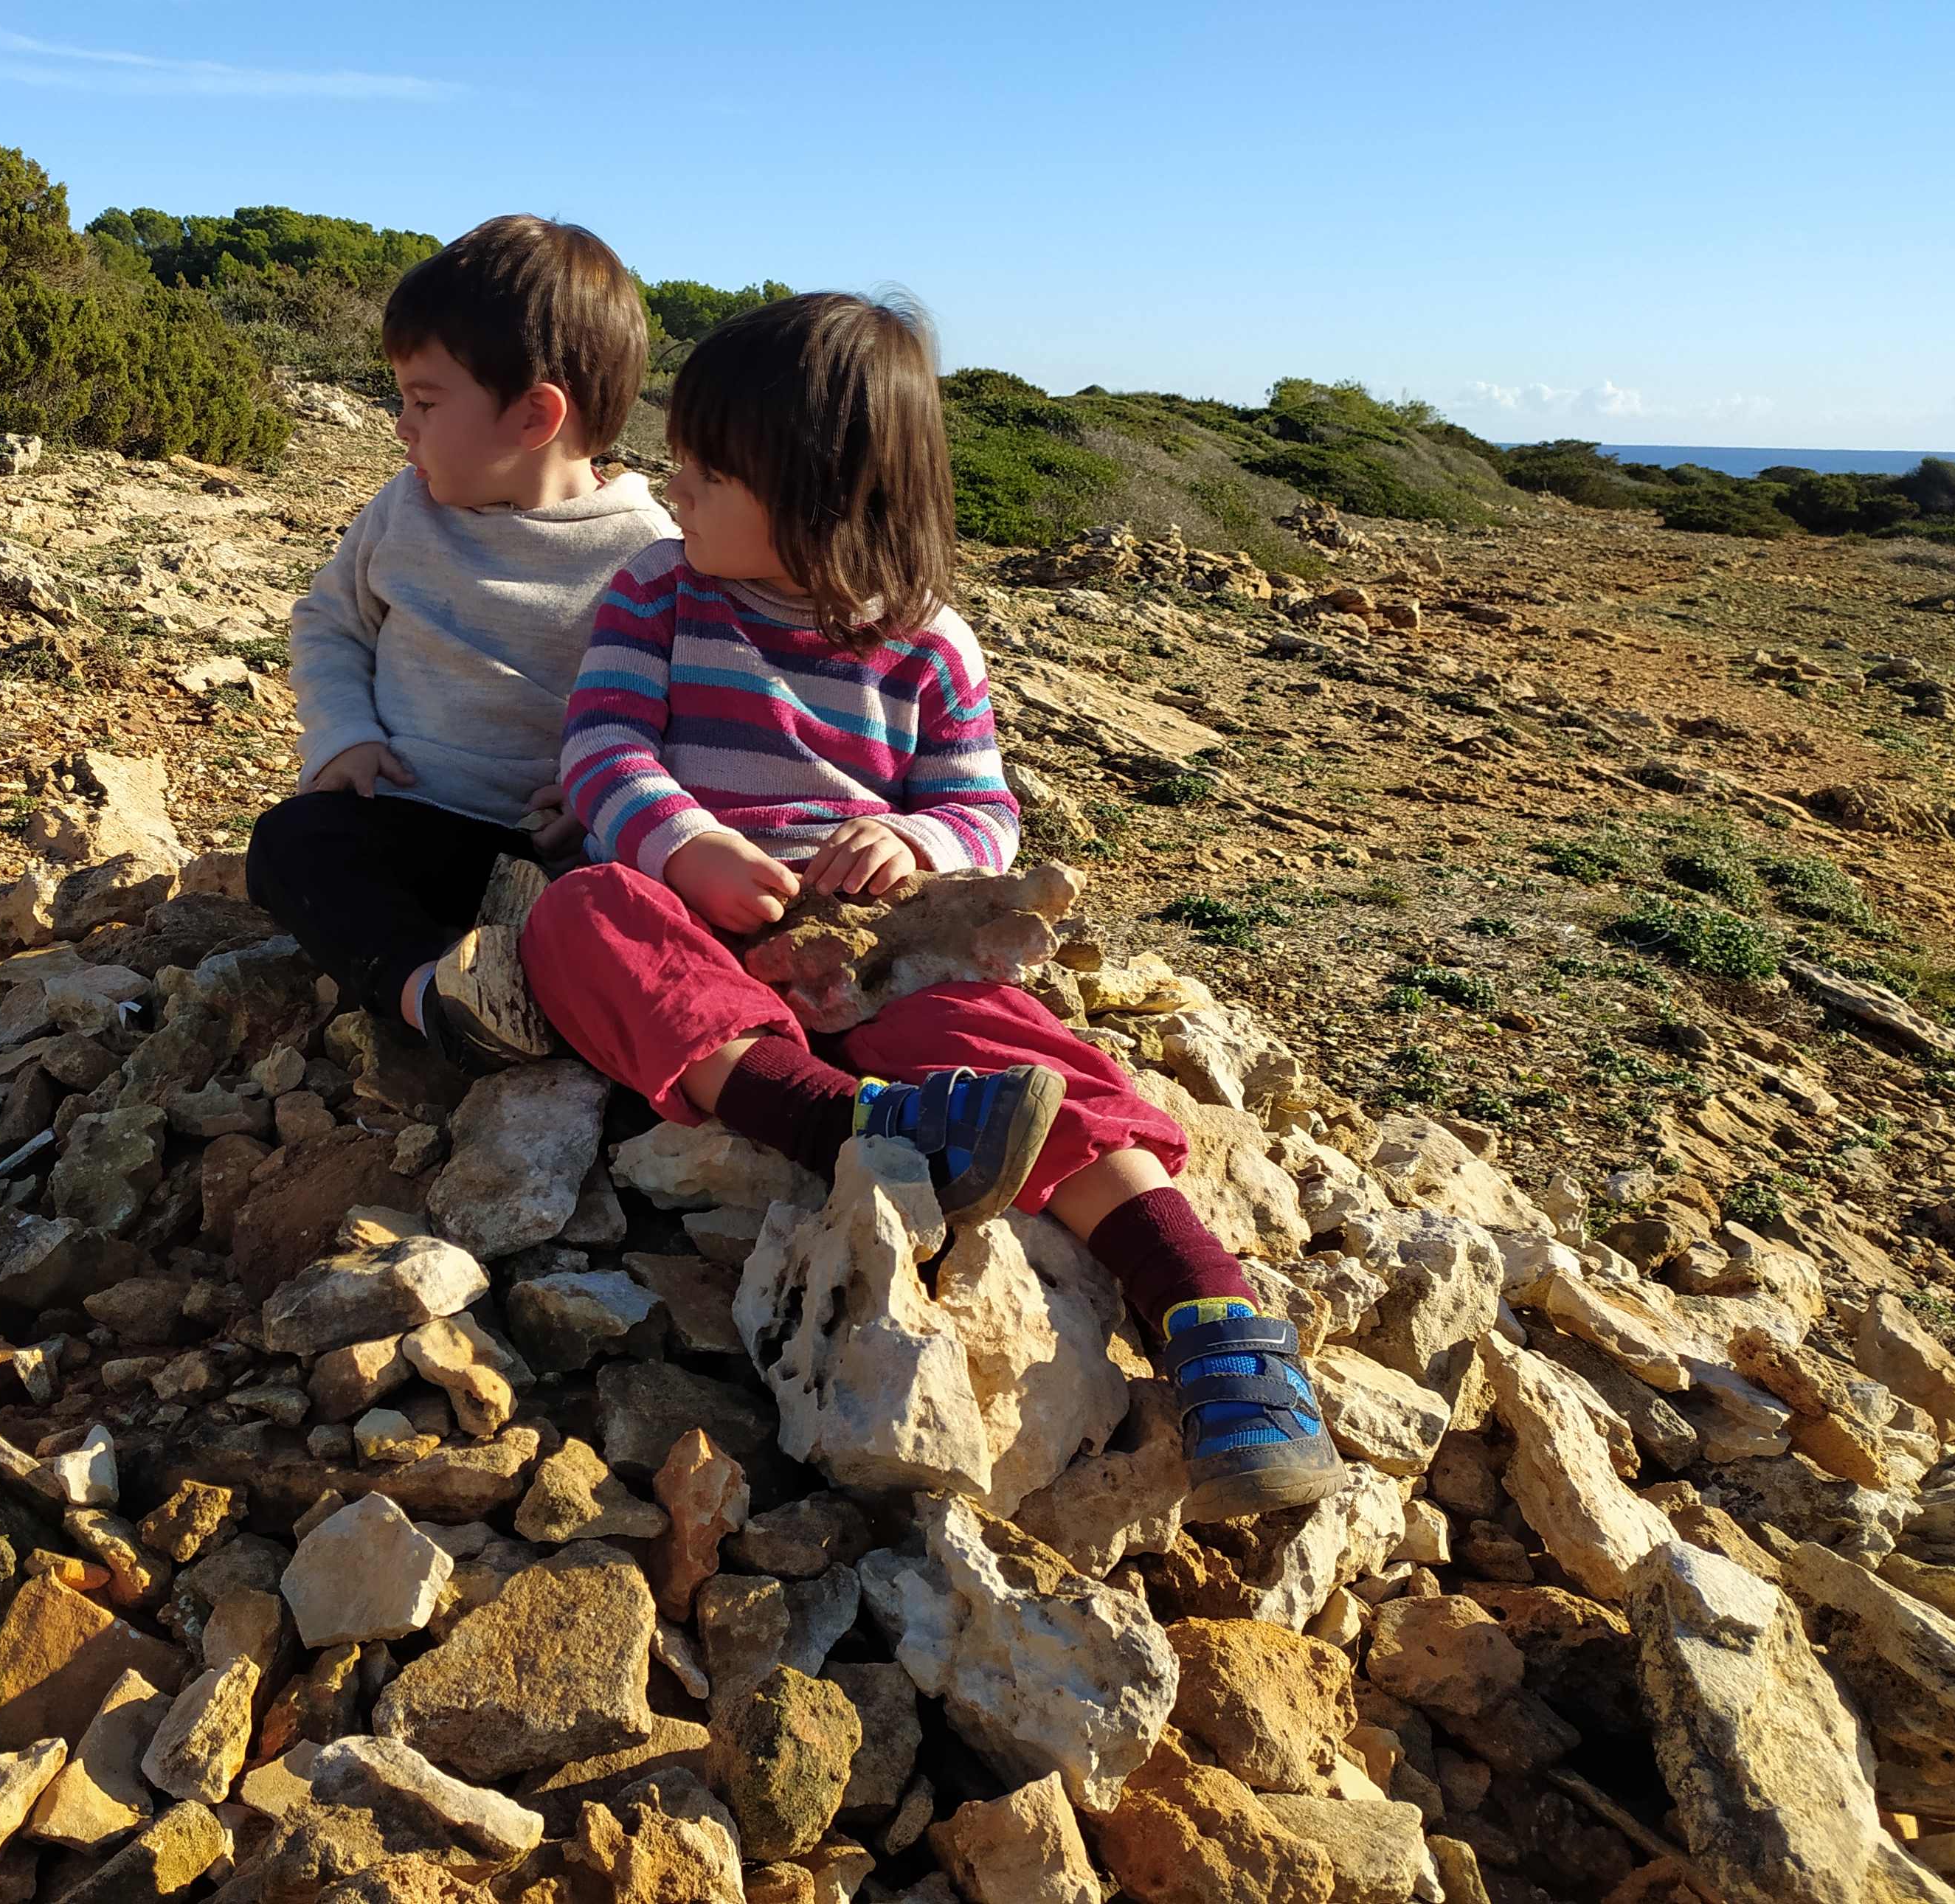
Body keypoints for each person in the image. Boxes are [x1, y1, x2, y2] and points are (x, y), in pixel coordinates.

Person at [519, 291, 1340, 1520]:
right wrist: (686, 847)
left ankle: (1213, 1318)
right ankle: (850, 1125)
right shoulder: (658, 593)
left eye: (707, 469)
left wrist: (909, 841)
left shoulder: (929, 646)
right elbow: (605, 754)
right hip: (708, 930)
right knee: (579, 915)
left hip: (885, 960)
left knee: (1036, 1063)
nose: (670, 487)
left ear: (819, 495)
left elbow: (981, 814)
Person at [246, 214, 677, 1072]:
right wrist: (345, 736)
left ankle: (573, 1009)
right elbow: (329, 622)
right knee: (293, 844)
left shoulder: (647, 554)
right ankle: (436, 1001)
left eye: (424, 402)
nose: (400, 426)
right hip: (401, 817)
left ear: (533, 415)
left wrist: (598, 801)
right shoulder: (403, 509)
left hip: (544, 849)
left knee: (626, 908)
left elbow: (684, 708)